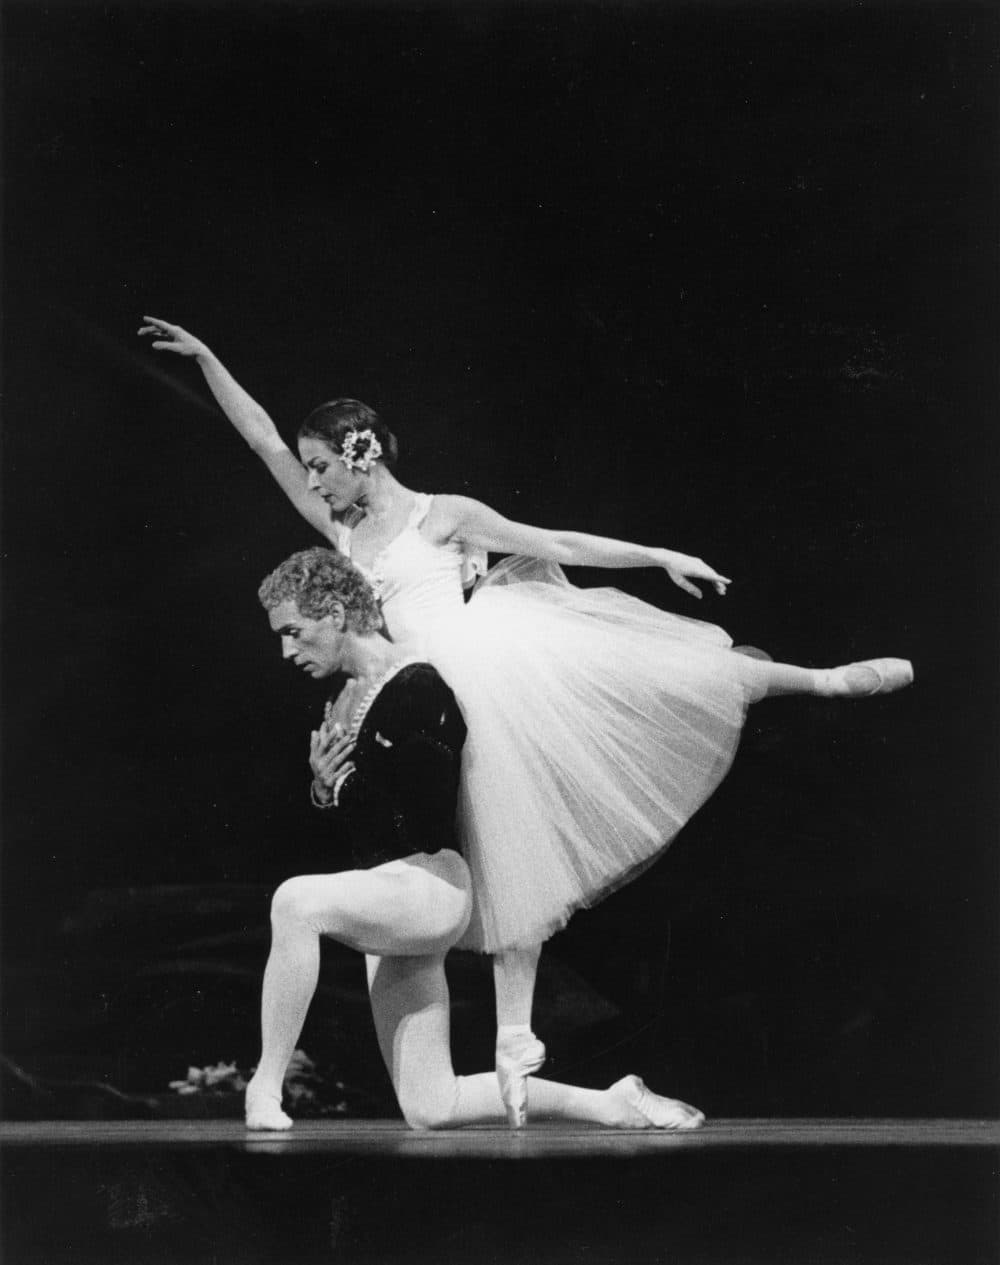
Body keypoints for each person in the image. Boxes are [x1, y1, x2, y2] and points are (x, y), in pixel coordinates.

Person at [140, 316, 914, 1127]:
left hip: (476, 666)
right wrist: (209, 361)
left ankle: (821, 680)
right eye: (311, 470)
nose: (314, 481)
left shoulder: (441, 516)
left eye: (324, 466)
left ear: (361, 454)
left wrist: (657, 555)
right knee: (481, 855)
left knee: (658, 688)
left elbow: (556, 540)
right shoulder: (338, 530)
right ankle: (544, 1064)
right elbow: (264, 443)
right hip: (405, 685)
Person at [246, 545, 705, 1132]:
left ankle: (264, 1087)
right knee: (430, 1107)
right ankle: (610, 1103)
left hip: (430, 888)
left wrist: (342, 787)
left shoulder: (419, 687)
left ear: (335, 614)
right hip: (388, 896)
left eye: (293, 632)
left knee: (294, 902)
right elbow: (363, 818)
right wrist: (323, 788)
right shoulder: (344, 700)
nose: (286, 651)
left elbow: (426, 823)